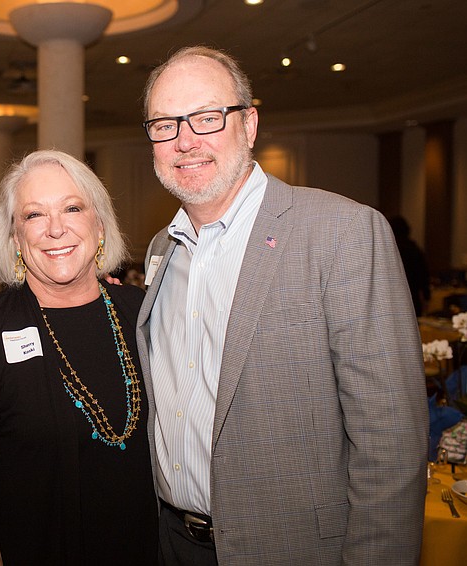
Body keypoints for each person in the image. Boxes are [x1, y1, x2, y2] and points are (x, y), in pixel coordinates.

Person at [136, 46, 428, 565]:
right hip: (174, 543)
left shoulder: (342, 233)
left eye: (206, 117)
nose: (185, 140)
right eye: (165, 124)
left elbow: (390, 441)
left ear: (249, 125)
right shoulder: (163, 249)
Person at [0, 150, 158, 566]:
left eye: (72, 208)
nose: (55, 229)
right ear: (15, 238)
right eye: (34, 215)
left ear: (99, 225)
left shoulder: (143, 314)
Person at [388, 215, 430, 316]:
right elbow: (423, 275)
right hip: (412, 296)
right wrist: (426, 295)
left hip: (392, 296)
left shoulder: (388, 249)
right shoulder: (414, 249)